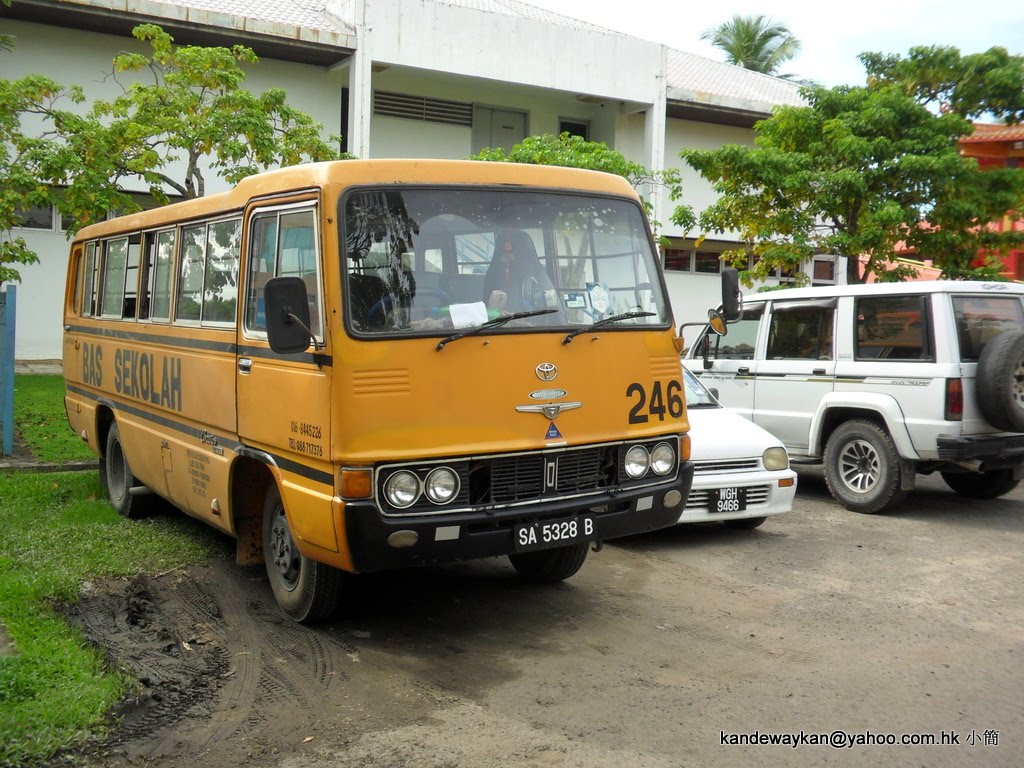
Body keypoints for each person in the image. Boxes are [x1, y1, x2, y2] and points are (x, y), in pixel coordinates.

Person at [482, 229, 557, 313]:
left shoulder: (537, 276)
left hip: (534, 324)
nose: (508, 256)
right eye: (503, 251)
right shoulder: (492, 275)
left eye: (516, 251)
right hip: (499, 323)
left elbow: (548, 309)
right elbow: (485, 310)